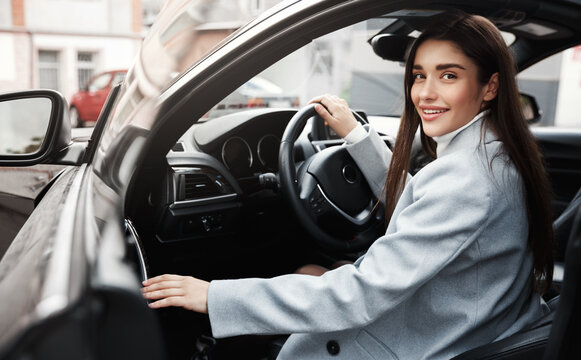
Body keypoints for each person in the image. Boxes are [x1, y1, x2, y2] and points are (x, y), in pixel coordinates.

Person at [142, 11, 554, 359]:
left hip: (436, 339)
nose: (425, 93)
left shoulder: (464, 177)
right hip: (471, 320)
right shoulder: (495, 154)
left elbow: (359, 297)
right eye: (418, 76)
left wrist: (214, 297)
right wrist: (357, 137)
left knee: (293, 305)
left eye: (448, 76)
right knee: (308, 271)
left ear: (490, 87)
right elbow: (419, 202)